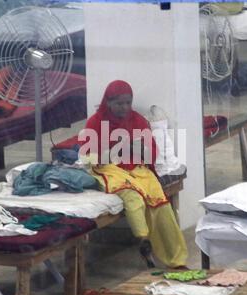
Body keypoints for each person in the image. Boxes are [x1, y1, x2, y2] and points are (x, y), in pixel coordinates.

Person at [78, 80, 188, 268]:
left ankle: (176, 259)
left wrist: (136, 149)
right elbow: (88, 156)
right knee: (132, 195)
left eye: (128, 102)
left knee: (159, 201)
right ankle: (143, 239)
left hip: (136, 168)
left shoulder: (137, 120)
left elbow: (152, 153)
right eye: (119, 103)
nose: (125, 107)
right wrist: (116, 151)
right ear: (108, 102)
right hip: (108, 169)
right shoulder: (95, 122)